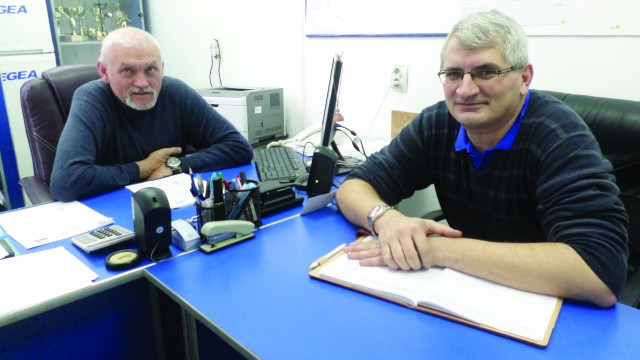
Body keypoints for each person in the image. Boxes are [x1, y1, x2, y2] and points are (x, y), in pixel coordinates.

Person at [336, 10, 628, 308]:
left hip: (544, 307)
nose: (465, 90)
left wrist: (436, 249)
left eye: (486, 72)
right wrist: (387, 219)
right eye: (453, 74)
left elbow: (600, 271)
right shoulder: (437, 123)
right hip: (467, 291)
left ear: (524, 77)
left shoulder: (559, 136)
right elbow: (353, 186)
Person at [50, 27, 253, 201]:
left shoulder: (175, 92)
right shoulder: (92, 99)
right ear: (104, 72)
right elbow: (66, 181)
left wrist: (174, 167)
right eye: (128, 70)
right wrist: (142, 168)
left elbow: (238, 148)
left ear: (162, 69)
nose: (142, 83)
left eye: (151, 69)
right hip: (111, 210)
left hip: (170, 205)